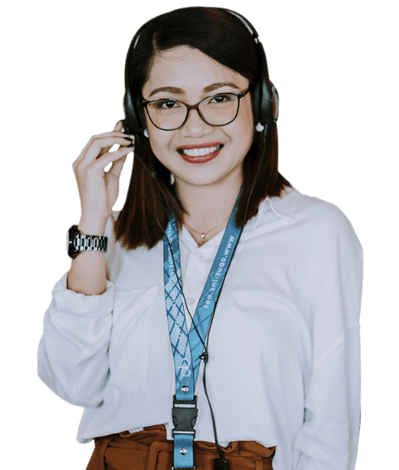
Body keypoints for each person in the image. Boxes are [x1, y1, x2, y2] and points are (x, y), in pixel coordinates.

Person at [37, 6, 364, 470]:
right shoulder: (118, 239)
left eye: (220, 97)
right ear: (138, 118)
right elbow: (72, 383)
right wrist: (93, 223)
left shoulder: (317, 232)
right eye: (168, 103)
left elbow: (331, 422)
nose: (195, 126)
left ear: (263, 106)